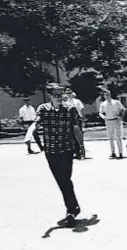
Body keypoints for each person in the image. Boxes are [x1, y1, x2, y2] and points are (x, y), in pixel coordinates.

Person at [33, 83, 82, 227]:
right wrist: (34, 127)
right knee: (62, 181)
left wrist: (81, 146)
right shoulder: (43, 109)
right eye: (56, 95)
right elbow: (36, 124)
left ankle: (72, 209)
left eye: (61, 94)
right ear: (50, 96)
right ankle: (73, 209)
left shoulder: (70, 109)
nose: (60, 97)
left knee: (66, 179)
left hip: (67, 149)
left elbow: (76, 128)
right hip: (51, 151)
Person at [99, 89, 126, 159]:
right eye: (106, 95)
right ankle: (113, 152)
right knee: (110, 138)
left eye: (109, 94)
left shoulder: (116, 102)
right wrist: (103, 117)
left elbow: (123, 109)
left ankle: (120, 153)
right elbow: (100, 112)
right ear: (104, 96)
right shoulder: (103, 104)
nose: (107, 96)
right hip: (108, 121)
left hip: (116, 121)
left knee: (118, 137)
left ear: (110, 95)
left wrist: (121, 116)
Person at [65, 89, 86, 159]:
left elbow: (82, 110)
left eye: (70, 93)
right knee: (71, 137)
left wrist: (83, 120)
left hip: (77, 119)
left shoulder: (77, 101)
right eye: (67, 93)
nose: (69, 95)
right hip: (69, 120)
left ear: (72, 93)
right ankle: (74, 152)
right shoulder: (65, 102)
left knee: (78, 136)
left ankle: (80, 152)